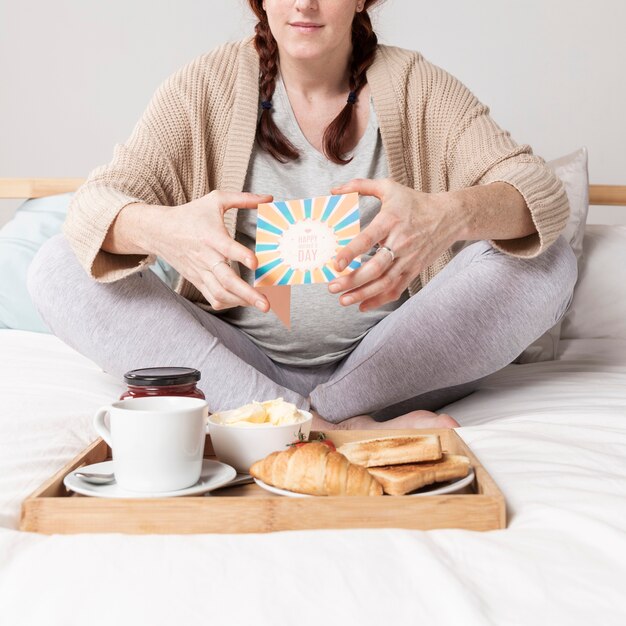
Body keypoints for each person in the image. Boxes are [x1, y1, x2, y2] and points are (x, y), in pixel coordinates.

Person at [27, 0, 577, 431]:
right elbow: (93, 205)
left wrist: (449, 215)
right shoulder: (206, 86)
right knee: (59, 266)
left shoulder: (415, 85)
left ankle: (297, 419)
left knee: (546, 262)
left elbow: (541, 193)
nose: (305, 3)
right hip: (241, 365)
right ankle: (326, 428)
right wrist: (160, 229)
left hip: (388, 368)